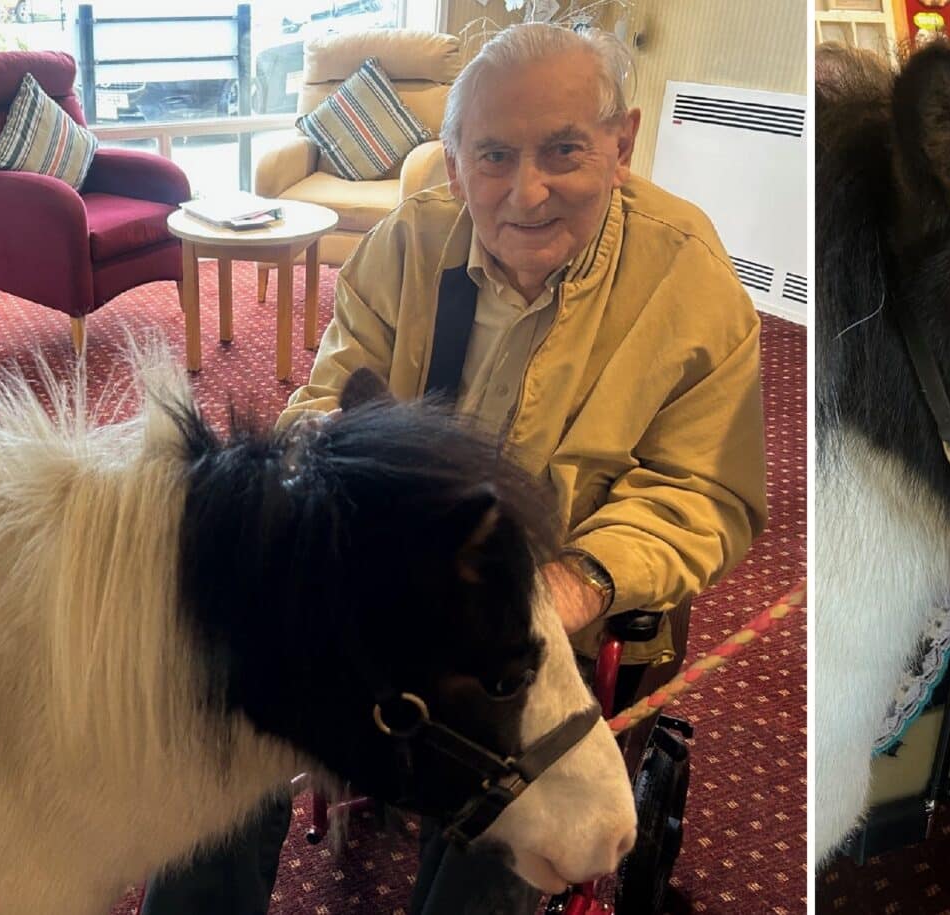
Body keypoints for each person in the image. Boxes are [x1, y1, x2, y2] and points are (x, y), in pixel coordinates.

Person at [138, 22, 768, 915]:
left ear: (621, 144)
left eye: (564, 151)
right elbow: (319, 408)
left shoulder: (692, 278)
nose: (527, 191)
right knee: (218, 757)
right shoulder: (408, 240)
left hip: (543, 619)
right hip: (382, 589)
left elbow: (703, 490)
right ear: (453, 155)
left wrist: (569, 584)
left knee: (497, 860)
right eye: (495, 156)